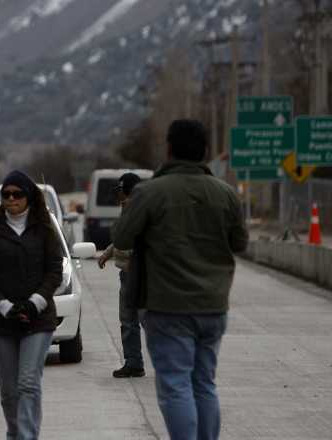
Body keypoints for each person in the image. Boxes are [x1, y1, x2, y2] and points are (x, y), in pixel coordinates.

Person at [112, 119, 248, 440]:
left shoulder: (149, 193)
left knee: (175, 384)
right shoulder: (226, 194)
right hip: (213, 306)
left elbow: (122, 237)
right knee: (204, 383)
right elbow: (240, 243)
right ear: (205, 151)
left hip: (166, 306)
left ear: (169, 149)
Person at [0, 170, 62, 440]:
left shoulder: (44, 230)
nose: (11, 199)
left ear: (28, 197)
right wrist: (2, 305)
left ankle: (26, 436)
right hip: (2, 322)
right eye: (6, 194)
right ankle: (15, 433)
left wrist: (36, 302)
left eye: (17, 194)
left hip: (39, 319)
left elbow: (55, 271)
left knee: (28, 383)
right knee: (9, 388)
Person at [98, 172, 145, 378]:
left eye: (120, 191)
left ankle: (167, 361)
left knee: (147, 320)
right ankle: (133, 362)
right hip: (128, 274)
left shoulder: (141, 209)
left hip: (141, 274)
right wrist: (107, 253)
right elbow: (121, 237)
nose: (118, 196)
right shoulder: (128, 209)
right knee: (128, 320)